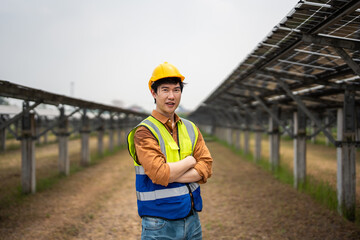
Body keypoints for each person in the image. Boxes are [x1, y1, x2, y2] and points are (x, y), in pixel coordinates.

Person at [127, 62, 213, 239]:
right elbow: (159, 174)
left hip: (192, 219)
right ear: (154, 93)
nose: (171, 96)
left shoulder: (190, 128)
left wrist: (171, 174)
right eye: (165, 90)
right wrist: (190, 161)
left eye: (176, 90)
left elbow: (207, 166)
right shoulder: (144, 131)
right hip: (158, 224)